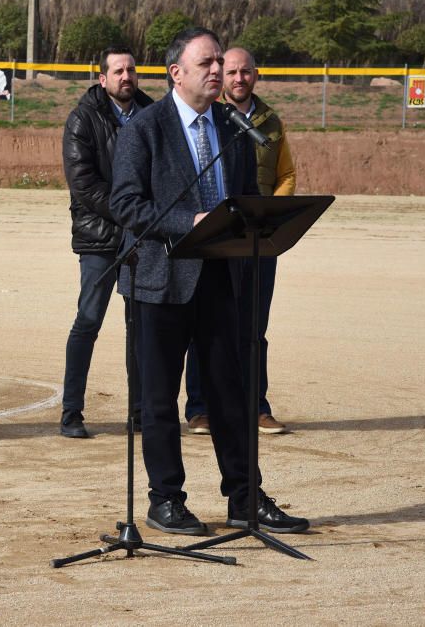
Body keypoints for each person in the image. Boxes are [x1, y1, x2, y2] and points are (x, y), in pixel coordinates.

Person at [109, 27, 308, 535]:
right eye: (207, 63)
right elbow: (126, 204)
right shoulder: (145, 128)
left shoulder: (234, 126)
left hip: (221, 277)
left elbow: (242, 195)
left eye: (221, 61)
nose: (219, 71)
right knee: (158, 398)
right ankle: (165, 499)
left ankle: (244, 497)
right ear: (177, 73)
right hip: (159, 282)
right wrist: (188, 223)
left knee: (231, 393)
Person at [184, 46, 297, 436]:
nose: (237, 78)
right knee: (205, 326)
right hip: (217, 237)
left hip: (258, 240)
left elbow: (286, 175)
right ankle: (200, 408)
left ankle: (256, 406)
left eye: (244, 72)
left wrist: (270, 219)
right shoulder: (210, 118)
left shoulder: (271, 122)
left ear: (256, 75)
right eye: (230, 71)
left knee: (254, 328)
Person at [59, 46, 153, 439]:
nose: (126, 76)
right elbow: (83, 185)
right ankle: (71, 413)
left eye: (131, 70)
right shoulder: (83, 118)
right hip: (100, 237)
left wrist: (144, 218)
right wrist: (130, 212)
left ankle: (140, 412)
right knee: (88, 320)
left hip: (142, 236)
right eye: (118, 71)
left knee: (141, 326)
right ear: (103, 78)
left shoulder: (153, 115)